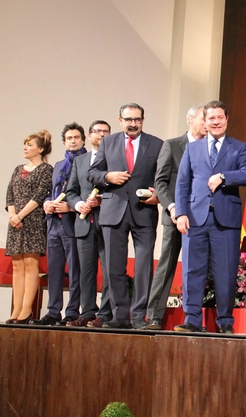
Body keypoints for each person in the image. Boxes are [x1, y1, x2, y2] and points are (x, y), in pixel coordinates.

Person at [174, 101, 246, 333]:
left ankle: (225, 321)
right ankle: (192, 320)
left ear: (226, 119)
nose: (216, 122)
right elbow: (182, 183)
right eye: (211, 118)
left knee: (225, 272)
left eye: (220, 117)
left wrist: (223, 176)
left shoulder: (238, 147)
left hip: (225, 220)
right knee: (192, 270)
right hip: (194, 218)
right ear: (205, 122)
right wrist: (180, 213)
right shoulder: (193, 148)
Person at [88, 103, 163, 329]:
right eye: (128, 119)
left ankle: (139, 316)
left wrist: (158, 194)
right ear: (120, 121)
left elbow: (163, 176)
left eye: (137, 119)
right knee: (113, 267)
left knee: (143, 267)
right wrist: (108, 176)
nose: (133, 124)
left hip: (144, 211)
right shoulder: (108, 142)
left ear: (143, 120)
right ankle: (120, 315)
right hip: (113, 211)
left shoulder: (157, 144)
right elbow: (93, 173)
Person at [145, 104, 207, 330]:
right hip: (174, 215)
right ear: (191, 119)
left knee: (198, 266)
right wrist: (171, 206)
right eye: (203, 117)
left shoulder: (209, 147)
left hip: (201, 217)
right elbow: (160, 182)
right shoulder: (171, 145)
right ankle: (154, 316)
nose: (207, 122)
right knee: (167, 264)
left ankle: (193, 318)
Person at [33, 123, 87, 326]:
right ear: (64, 142)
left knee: (75, 271)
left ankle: (72, 311)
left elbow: (87, 192)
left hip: (73, 223)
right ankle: (53, 311)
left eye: (76, 137)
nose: (73, 141)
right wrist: (47, 203)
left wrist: (70, 207)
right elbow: (51, 191)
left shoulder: (86, 162)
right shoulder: (58, 166)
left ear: (83, 140)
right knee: (54, 271)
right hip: (53, 224)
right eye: (69, 138)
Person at [64, 120, 113, 327]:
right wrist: (78, 205)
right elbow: (71, 191)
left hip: (108, 221)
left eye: (106, 132)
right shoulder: (81, 160)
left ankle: (106, 313)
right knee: (86, 270)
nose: (101, 135)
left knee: (110, 269)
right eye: (97, 131)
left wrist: (100, 200)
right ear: (90, 136)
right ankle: (88, 312)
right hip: (84, 223)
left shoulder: (116, 159)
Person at [5, 130, 54, 324]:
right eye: (25, 144)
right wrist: (12, 215)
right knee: (17, 265)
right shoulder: (18, 169)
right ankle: (15, 310)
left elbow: (39, 196)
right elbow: (9, 194)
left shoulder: (46, 169)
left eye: (30, 145)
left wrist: (20, 215)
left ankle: (27, 310)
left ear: (40, 149)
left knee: (30, 264)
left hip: (33, 221)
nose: (25, 148)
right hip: (15, 222)